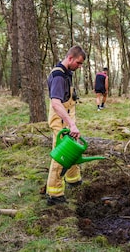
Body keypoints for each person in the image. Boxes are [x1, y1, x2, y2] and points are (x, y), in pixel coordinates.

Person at [46, 45, 86, 205]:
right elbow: (56, 103)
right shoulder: (58, 76)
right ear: (70, 58)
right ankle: (54, 194)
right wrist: (70, 124)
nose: (79, 66)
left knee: (72, 150)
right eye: (78, 63)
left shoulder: (67, 73)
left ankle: (73, 179)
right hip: (61, 121)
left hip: (67, 120)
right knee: (61, 156)